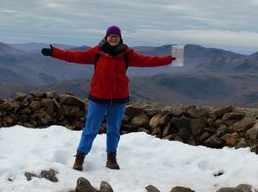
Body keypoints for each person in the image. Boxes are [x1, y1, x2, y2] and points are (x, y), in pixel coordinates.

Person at [41, 26, 174, 171]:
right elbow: (74, 56)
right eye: (111, 36)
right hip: (98, 97)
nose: (113, 38)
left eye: (116, 36)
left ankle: (111, 158)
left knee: (114, 130)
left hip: (119, 98)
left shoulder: (127, 54)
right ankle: (80, 158)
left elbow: (148, 61)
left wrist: (168, 59)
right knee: (90, 129)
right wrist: (54, 52)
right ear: (106, 37)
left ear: (120, 38)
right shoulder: (96, 52)